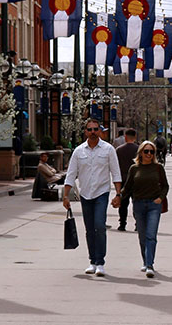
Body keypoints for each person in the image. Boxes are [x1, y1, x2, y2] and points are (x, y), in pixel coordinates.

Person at [63, 118, 122, 276]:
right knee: (90, 229)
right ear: (85, 132)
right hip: (85, 194)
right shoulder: (78, 151)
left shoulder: (108, 150)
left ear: (100, 131)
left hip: (101, 193)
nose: (93, 132)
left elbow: (116, 173)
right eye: (90, 129)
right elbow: (71, 174)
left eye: (96, 129)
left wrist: (118, 194)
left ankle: (100, 262)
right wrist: (65, 195)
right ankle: (92, 261)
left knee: (99, 226)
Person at [120, 140, 170, 277]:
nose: (149, 154)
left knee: (151, 235)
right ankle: (145, 260)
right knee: (142, 235)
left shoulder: (158, 168)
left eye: (151, 151)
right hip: (139, 204)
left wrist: (160, 198)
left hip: (154, 205)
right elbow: (128, 187)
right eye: (146, 151)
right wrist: (118, 197)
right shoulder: (134, 169)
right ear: (140, 152)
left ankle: (150, 265)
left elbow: (165, 185)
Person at [116, 128, 138, 230]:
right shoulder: (139, 150)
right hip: (136, 180)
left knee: (123, 204)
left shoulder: (119, 150)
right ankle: (138, 224)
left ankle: (122, 224)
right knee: (136, 202)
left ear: (125, 137)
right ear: (135, 137)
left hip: (123, 180)